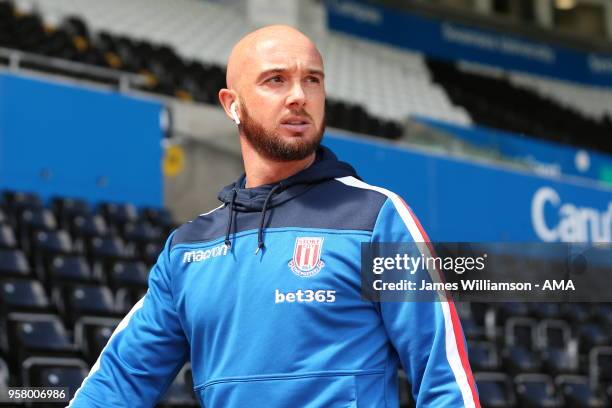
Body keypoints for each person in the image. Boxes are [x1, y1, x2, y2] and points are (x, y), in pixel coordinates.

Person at [68, 25, 480, 407]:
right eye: (276, 80)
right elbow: (118, 382)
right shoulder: (187, 249)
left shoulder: (377, 217)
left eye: (312, 80)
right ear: (233, 105)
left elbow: (443, 377)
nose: (299, 95)